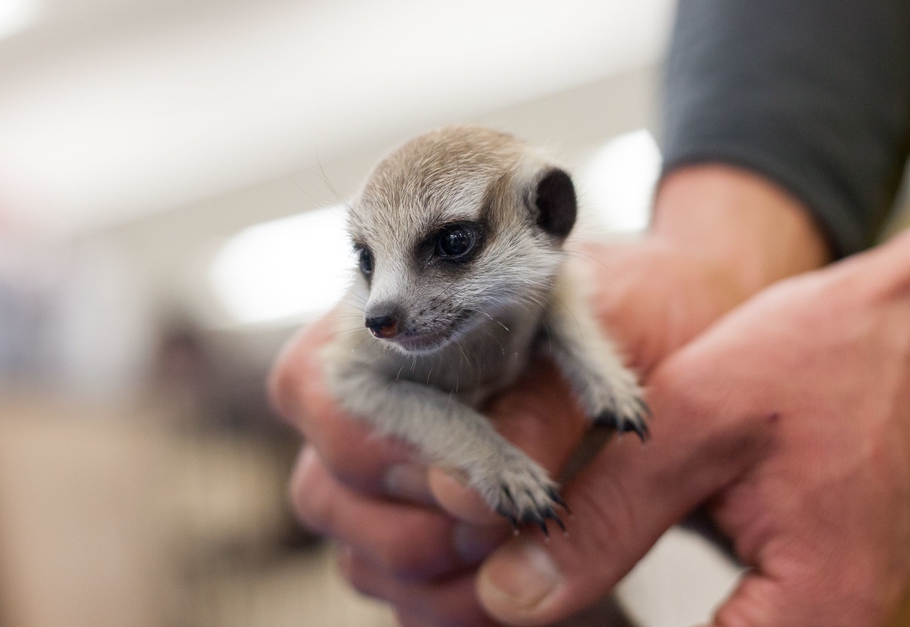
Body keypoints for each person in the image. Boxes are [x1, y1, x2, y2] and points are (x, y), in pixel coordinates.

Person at [270, 0, 910, 625]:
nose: (384, 306)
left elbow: (562, 304)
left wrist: (602, 381)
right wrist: (485, 455)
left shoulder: (551, 278)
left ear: (549, 214)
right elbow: (352, 378)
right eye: (367, 260)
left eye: (453, 245)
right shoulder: (377, 328)